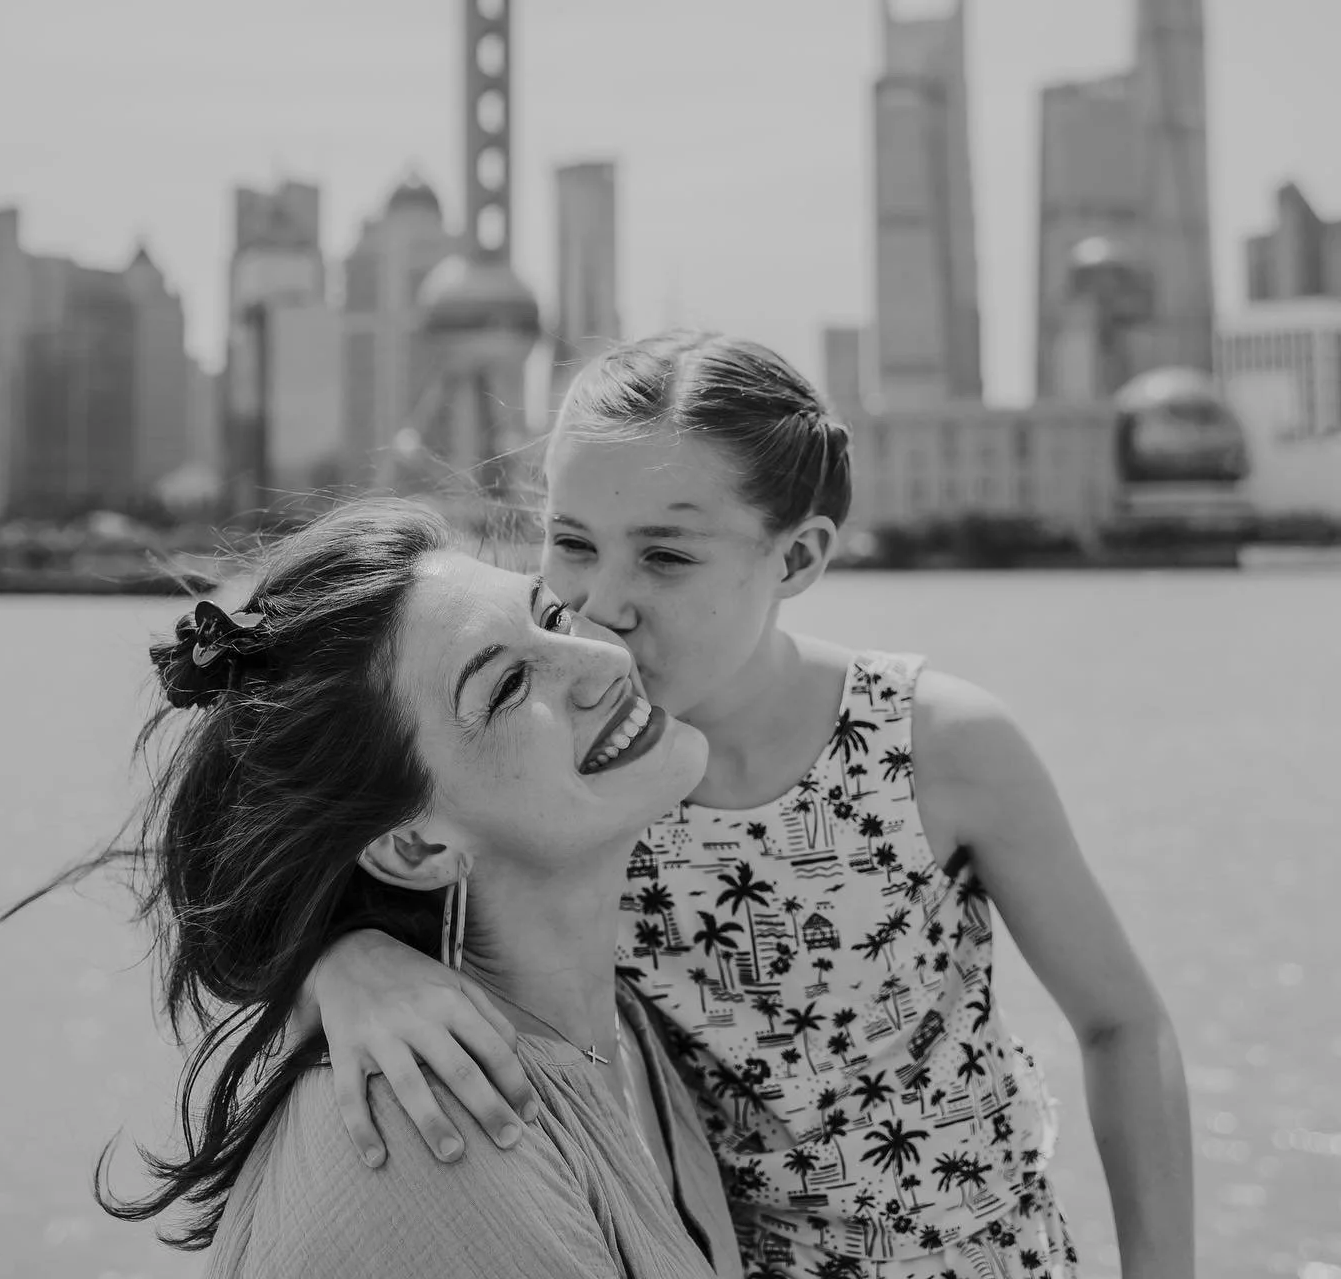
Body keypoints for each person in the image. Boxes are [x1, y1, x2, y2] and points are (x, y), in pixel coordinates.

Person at [307, 333, 1195, 1279]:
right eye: (572, 543)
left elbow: (1121, 1025)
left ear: (799, 556)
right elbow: (304, 862)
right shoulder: (556, 778)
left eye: (668, 556)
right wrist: (343, 962)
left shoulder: (934, 743)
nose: (604, 604)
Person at [0, 504, 745, 1277]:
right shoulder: (429, 1132)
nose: (605, 662)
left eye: (551, 613)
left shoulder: (626, 1029)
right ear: (415, 846)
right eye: (510, 686)